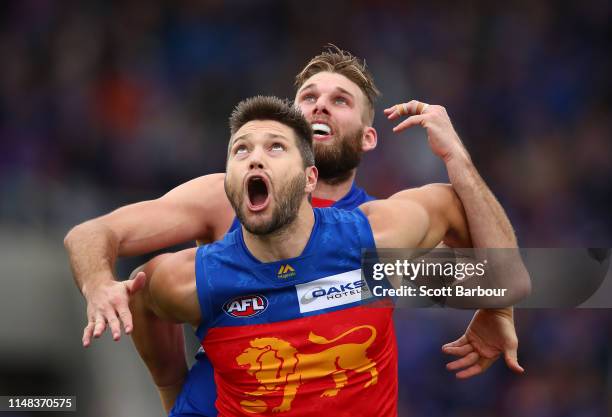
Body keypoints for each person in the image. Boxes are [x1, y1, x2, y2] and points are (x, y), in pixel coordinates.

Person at [64, 47, 524, 416]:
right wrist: (100, 284)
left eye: (340, 100)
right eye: (308, 97)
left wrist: (497, 310)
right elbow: (99, 237)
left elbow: (502, 270)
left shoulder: (380, 227)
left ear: (368, 136)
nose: (320, 103)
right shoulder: (223, 198)